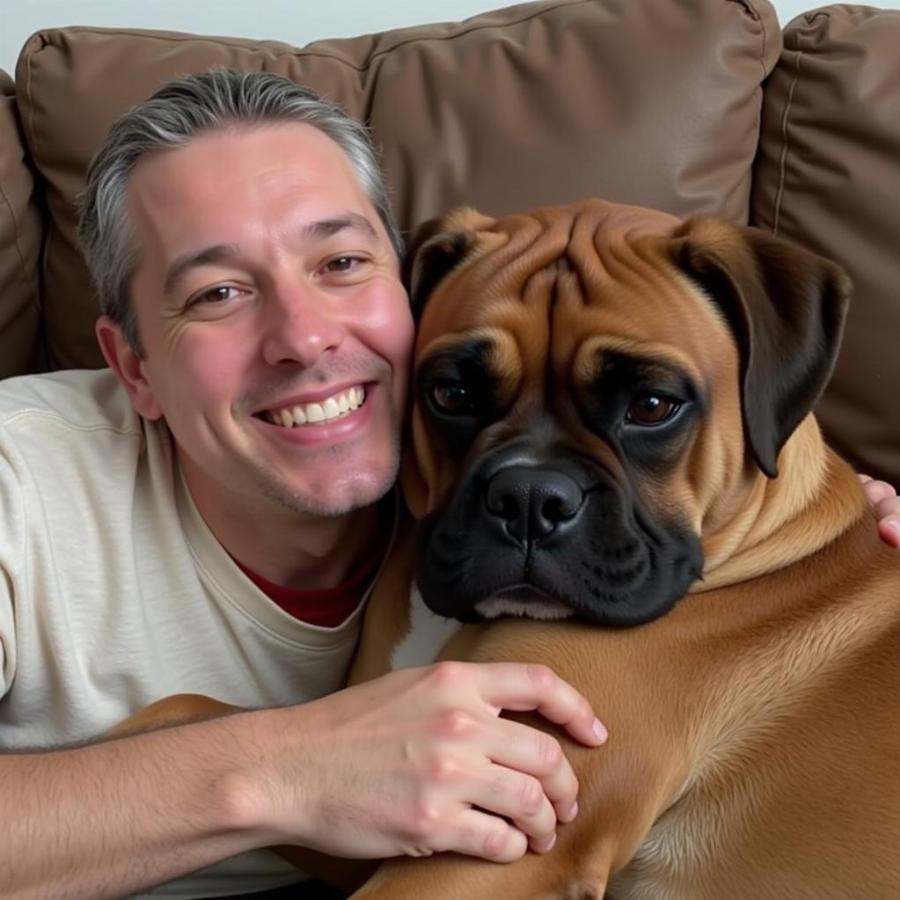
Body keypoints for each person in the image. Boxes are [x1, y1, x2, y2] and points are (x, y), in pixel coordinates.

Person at [0, 70, 897, 900]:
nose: (307, 341)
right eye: (219, 292)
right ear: (135, 366)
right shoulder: (27, 480)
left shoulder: (757, 579)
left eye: (341, 263)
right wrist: (256, 766)